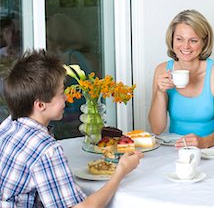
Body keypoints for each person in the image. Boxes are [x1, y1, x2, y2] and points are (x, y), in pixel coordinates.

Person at [0, 49, 144, 207]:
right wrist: (120, 171)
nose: (67, 98)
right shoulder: (47, 149)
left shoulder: (8, 125)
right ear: (40, 105)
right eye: (61, 93)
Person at [148, 9, 214, 149]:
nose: (185, 46)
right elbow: (157, 129)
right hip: (175, 148)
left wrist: (204, 142)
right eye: (179, 39)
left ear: (204, 42)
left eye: (193, 40)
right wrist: (160, 92)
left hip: (212, 149)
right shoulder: (162, 70)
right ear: (172, 39)